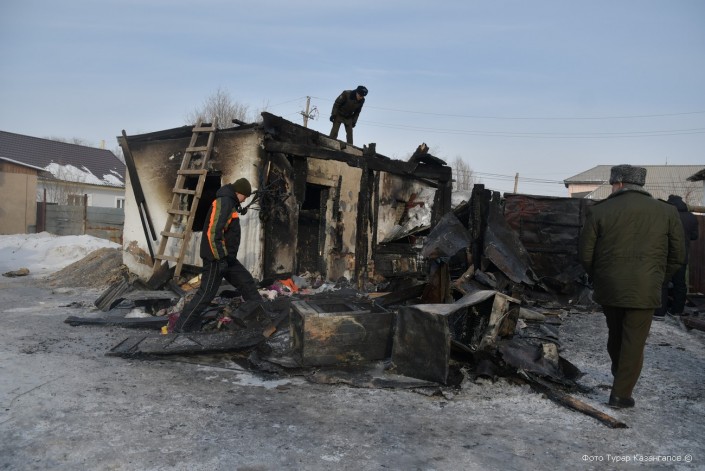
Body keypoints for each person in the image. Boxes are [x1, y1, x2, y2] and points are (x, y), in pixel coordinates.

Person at [578, 165, 685, 409]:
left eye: (612, 184)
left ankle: (620, 380)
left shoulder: (600, 210)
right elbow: (678, 255)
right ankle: (621, 394)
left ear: (619, 183)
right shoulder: (667, 211)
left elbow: (585, 254)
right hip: (645, 288)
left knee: (615, 337)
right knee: (633, 342)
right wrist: (657, 279)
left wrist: (600, 277)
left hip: (610, 286)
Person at [173, 178, 263, 333]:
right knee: (206, 294)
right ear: (239, 192)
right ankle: (182, 327)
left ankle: (260, 317)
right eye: (245, 196)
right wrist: (220, 259)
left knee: (247, 282)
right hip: (216, 258)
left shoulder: (230, 203)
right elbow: (213, 232)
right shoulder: (224, 202)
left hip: (227, 258)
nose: (245, 199)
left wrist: (225, 258)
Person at [665, 194, 699, 316]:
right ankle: (677, 310)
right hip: (682, 255)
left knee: (663, 282)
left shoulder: (667, 215)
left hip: (666, 255)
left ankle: (661, 310)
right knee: (680, 283)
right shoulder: (691, 217)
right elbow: (695, 236)